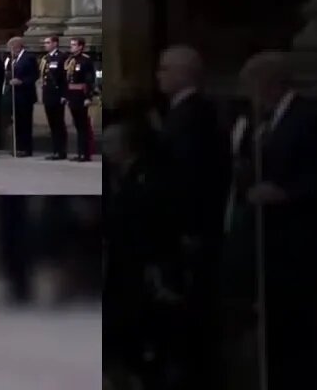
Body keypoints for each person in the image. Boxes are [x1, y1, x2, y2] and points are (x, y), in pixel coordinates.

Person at [236, 51, 317, 390]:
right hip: (269, 238)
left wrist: (287, 192)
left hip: (299, 238)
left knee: (299, 322)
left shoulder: (308, 118)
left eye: (252, 85)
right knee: (274, 323)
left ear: (270, 83)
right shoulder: (260, 120)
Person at [155, 45, 230, 389]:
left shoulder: (194, 115)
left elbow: (192, 177)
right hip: (184, 228)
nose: (159, 74)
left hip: (190, 229)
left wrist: (187, 227)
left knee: (194, 310)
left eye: (165, 68)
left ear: (185, 73)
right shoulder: (181, 112)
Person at [104, 90, 182, 388]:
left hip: (140, 264)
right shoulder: (121, 176)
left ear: (127, 147)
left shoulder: (145, 178)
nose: (106, 150)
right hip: (122, 264)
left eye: (110, 144)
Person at [63, 37, 98, 162]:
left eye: (74, 45)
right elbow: (68, 79)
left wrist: (88, 96)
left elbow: (90, 80)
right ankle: (80, 152)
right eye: (71, 44)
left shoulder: (85, 60)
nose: (71, 47)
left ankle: (85, 153)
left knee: (83, 126)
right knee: (77, 125)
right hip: (72, 95)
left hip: (81, 95)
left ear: (80, 46)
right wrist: (66, 96)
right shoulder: (70, 60)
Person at [3, 36, 38, 157]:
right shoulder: (13, 58)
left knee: (25, 122)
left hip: (25, 95)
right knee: (17, 122)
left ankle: (26, 148)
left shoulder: (29, 57)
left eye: (10, 48)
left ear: (16, 46)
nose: (9, 50)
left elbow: (34, 75)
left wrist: (22, 81)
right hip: (15, 95)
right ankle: (18, 147)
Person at [41, 36, 69, 160]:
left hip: (58, 95)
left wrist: (64, 95)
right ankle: (55, 150)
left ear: (55, 43)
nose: (45, 45)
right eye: (45, 43)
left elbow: (64, 78)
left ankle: (61, 151)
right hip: (48, 95)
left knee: (59, 124)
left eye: (48, 43)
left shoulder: (62, 57)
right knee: (52, 124)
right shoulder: (46, 58)